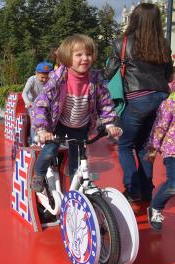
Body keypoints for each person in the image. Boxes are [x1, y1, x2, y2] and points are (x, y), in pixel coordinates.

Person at [30, 34, 121, 192]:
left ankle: (74, 191)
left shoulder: (94, 80)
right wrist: (42, 129)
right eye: (79, 55)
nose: (85, 58)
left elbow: (105, 102)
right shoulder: (58, 79)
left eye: (88, 54)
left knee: (77, 160)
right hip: (59, 123)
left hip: (80, 125)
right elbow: (41, 104)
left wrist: (110, 123)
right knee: (50, 151)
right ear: (67, 58)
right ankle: (39, 174)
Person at [104, 3, 172, 203]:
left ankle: (133, 190)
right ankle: (147, 191)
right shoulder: (163, 45)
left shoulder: (122, 43)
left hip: (137, 99)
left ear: (134, 19)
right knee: (144, 146)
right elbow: (168, 76)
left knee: (125, 145)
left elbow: (109, 73)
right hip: (161, 99)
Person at [145, 93, 175, 231]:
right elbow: (160, 127)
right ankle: (156, 207)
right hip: (172, 150)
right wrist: (153, 148)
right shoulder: (170, 103)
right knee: (173, 184)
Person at [22, 61, 53, 143]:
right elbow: (24, 92)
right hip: (32, 105)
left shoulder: (50, 81)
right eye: (42, 77)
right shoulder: (32, 79)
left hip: (44, 105)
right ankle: (33, 141)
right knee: (35, 121)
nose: (45, 80)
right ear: (36, 73)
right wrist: (28, 102)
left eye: (47, 77)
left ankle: (48, 139)